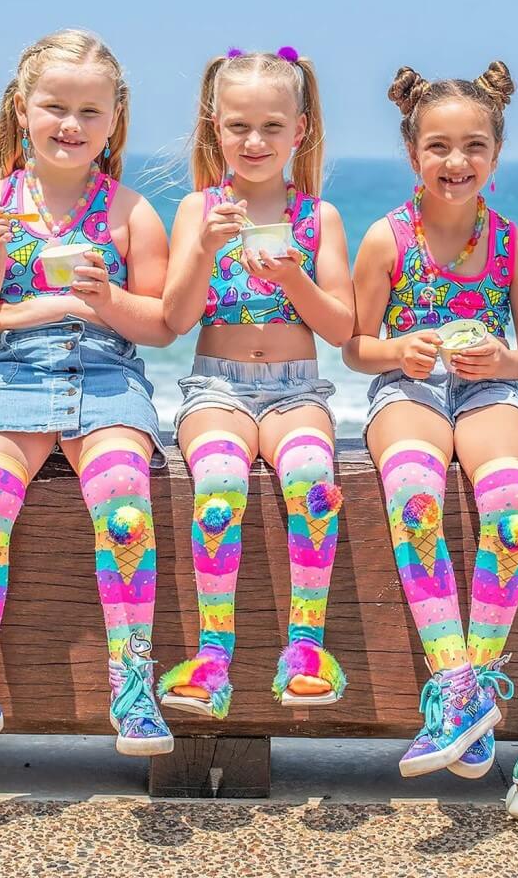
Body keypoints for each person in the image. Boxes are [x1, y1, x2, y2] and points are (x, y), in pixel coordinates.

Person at [0, 29, 174, 772]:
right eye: (55, 107)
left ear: (114, 120)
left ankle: (132, 682)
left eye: (89, 112)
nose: (71, 125)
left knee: (124, 502)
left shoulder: (132, 212)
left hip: (107, 381)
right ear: (22, 110)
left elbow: (157, 324)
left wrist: (102, 299)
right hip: (10, 382)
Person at [343, 61, 518, 779]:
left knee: (510, 510)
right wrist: (402, 349)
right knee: (416, 494)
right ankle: (453, 682)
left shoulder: (511, 246)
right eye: (438, 146)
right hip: (410, 392)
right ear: (412, 153)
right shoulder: (385, 239)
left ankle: (474, 688)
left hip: (489, 393)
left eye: (474, 147)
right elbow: (356, 348)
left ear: (495, 155)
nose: (455, 162)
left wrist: (501, 358)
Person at [157, 47, 354, 718]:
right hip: (217, 387)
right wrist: (206, 250)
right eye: (239, 125)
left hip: (297, 390)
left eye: (272, 127)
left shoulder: (318, 218)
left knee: (313, 482)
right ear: (216, 127)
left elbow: (340, 327)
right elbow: (174, 318)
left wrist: (295, 276)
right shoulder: (196, 212)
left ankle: (305, 648)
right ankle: (213, 656)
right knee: (216, 486)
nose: (255, 141)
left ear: (299, 130)